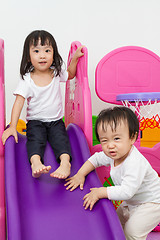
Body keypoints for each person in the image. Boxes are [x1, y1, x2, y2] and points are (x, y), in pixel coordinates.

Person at [65, 106, 160, 240]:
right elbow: (96, 159)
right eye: (105, 140)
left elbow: (127, 191)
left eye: (116, 139)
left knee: (132, 232)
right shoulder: (113, 154)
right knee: (116, 222)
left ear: (132, 138)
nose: (110, 145)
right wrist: (80, 174)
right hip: (132, 201)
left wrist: (100, 192)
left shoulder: (134, 163)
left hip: (152, 202)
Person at [2, 30, 84, 179]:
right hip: (35, 122)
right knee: (35, 141)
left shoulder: (56, 73)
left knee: (61, 140)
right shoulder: (27, 80)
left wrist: (75, 59)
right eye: (36, 51)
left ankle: (65, 163)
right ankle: (36, 162)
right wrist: (13, 126)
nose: (42, 55)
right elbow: (18, 103)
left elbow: (71, 74)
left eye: (47, 50)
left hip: (56, 121)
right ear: (28, 57)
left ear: (53, 54)